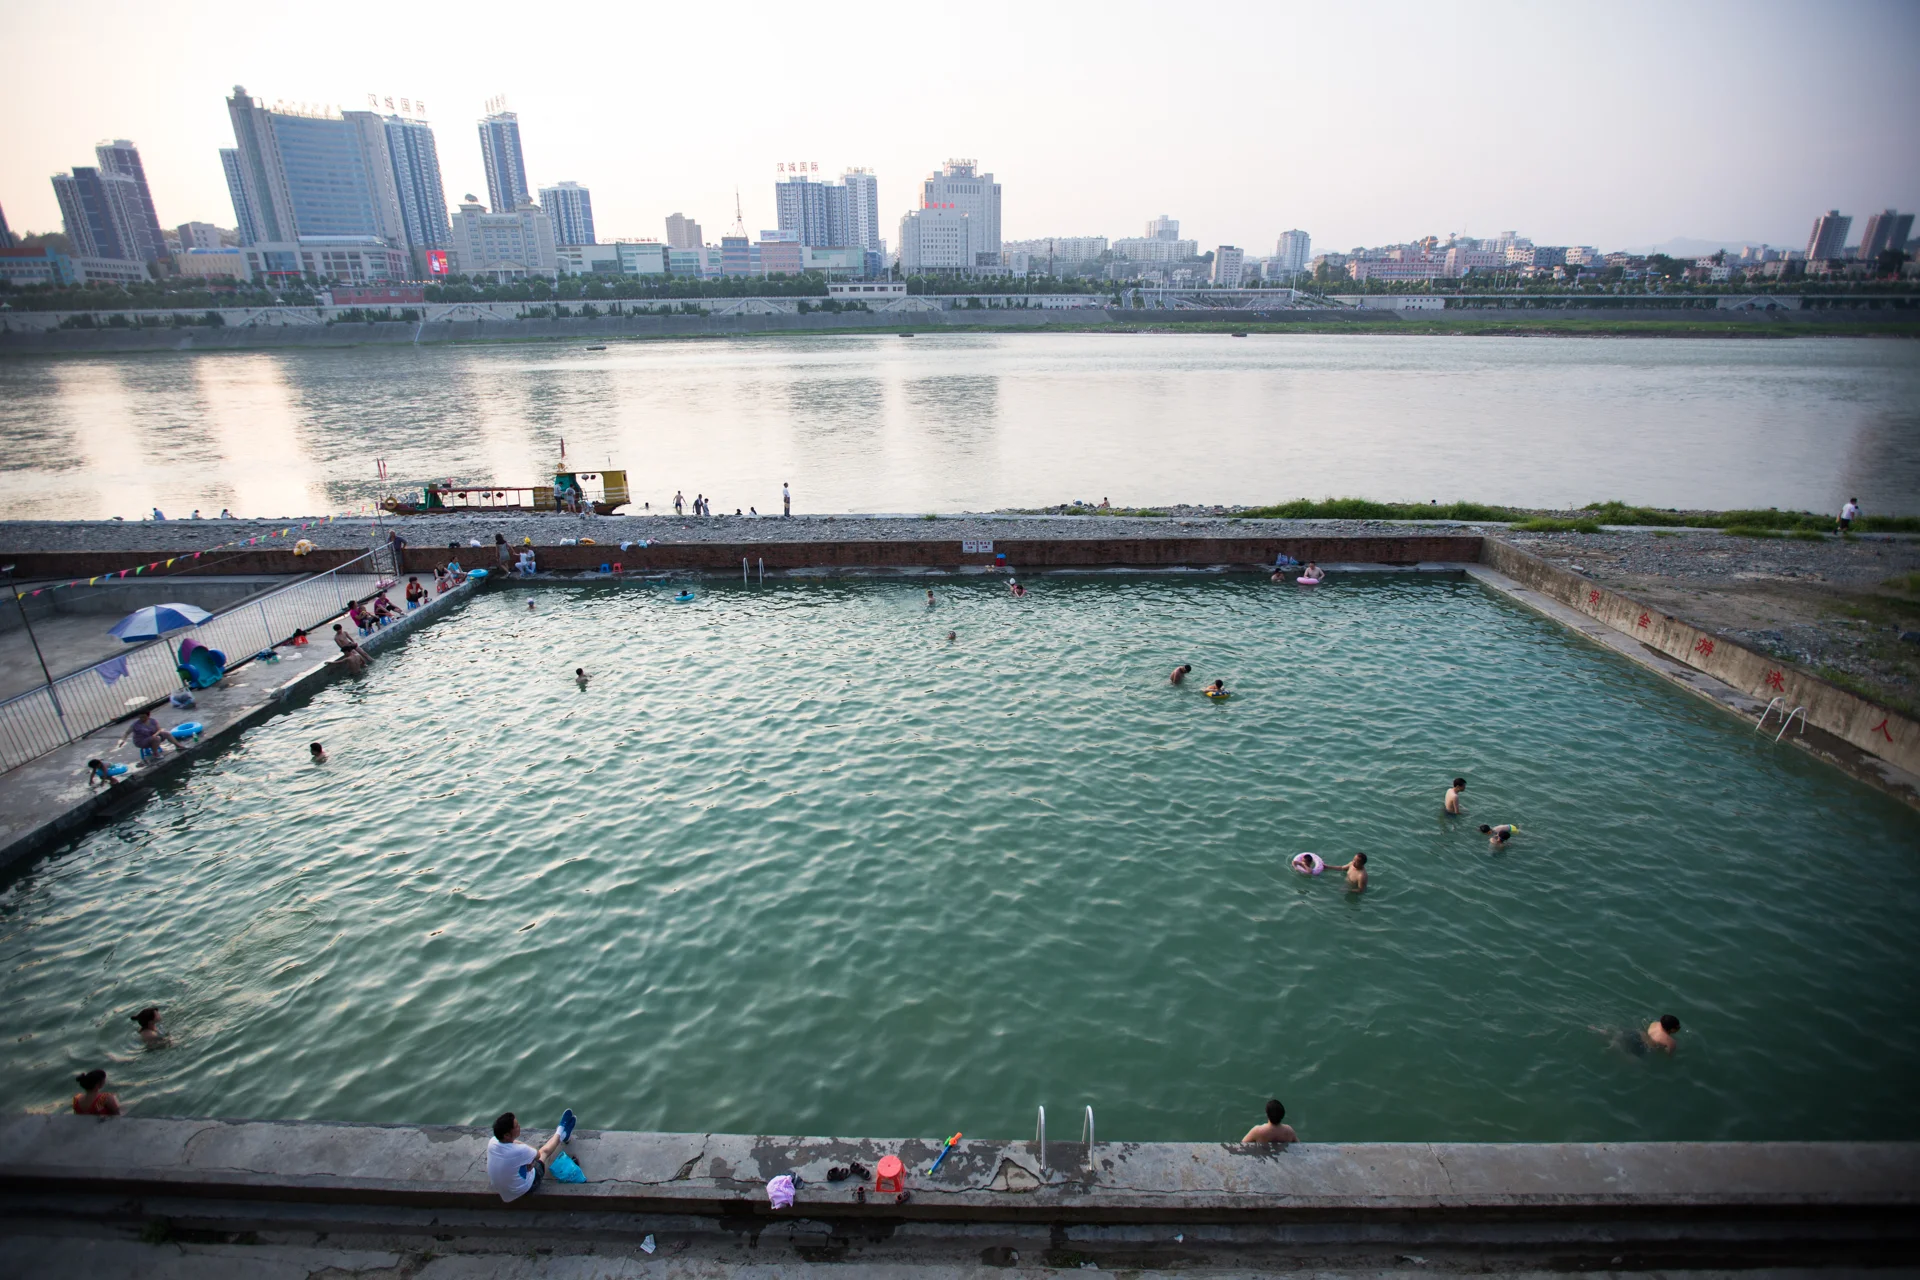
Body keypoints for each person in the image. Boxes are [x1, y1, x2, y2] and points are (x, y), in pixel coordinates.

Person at [488, 1108, 576, 1202]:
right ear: (507, 1135)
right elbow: (537, 1154)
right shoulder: (520, 1150)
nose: (519, 1126)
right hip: (524, 1188)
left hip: (504, 1190)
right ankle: (560, 1132)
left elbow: (513, 1149)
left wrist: (527, 1159)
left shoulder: (492, 1141)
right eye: (516, 1126)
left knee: (527, 1159)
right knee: (543, 1153)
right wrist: (527, 1155)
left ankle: (563, 1134)